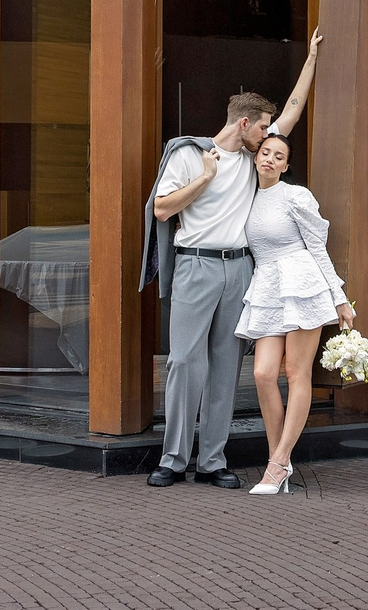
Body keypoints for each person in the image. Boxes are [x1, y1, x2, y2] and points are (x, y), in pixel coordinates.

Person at [139, 27, 322, 487]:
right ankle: (173, 458)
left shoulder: (256, 160)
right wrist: (203, 178)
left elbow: (294, 111)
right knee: (184, 361)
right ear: (244, 124)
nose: (269, 137)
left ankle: (213, 461)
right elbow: (161, 209)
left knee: (226, 365)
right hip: (196, 265)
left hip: (241, 268)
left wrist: (311, 59)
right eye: (263, 127)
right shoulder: (189, 154)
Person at [234, 129, 356, 493]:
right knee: (262, 373)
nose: (270, 159)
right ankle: (280, 462)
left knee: (295, 371)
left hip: (301, 281)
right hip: (268, 285)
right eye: (266, 152)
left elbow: (318, 249)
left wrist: (339, 297)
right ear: (256, 157)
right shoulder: (246, 198)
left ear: (286, 166)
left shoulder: (296, 196)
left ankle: (277, 464)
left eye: (279, 156)